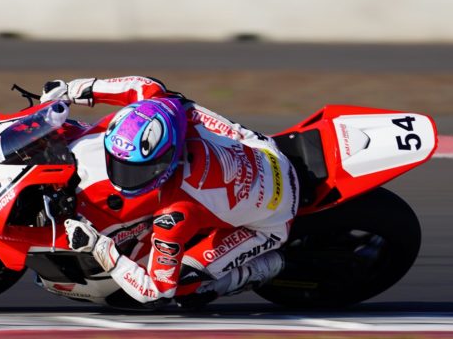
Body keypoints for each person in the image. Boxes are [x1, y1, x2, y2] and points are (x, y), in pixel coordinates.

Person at [40, 76, 298, 308]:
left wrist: (100, 247)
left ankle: (262, 267)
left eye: (136, 171)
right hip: (266, 151)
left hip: (273, 221)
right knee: (186, 107)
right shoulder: (170, 109)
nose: (122, 178)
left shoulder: (175, 213)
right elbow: (143, 85)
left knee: (185, 286)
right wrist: (71, 90)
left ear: (167, 161)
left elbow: (155, 292)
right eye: (117, 164)